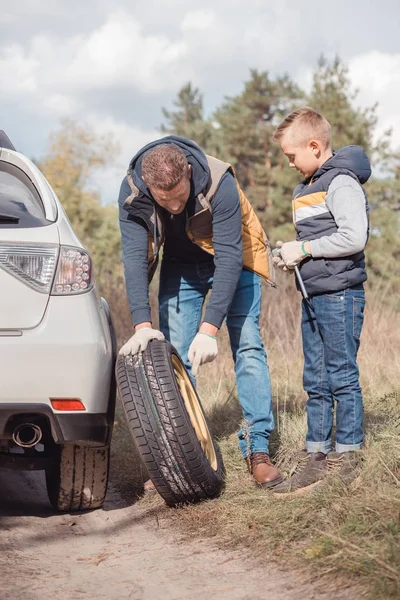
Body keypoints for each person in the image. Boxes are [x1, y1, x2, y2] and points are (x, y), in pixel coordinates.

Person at [118, 135, 283, 489]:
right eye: (166, 200)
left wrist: (209, 329)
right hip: (180, 265)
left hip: (237, 260)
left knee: (248, 344)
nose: (176, 206)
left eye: (181, 195)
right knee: (174, 358)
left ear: (189, 172)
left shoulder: (220, 182)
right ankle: (181, 456)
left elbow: (229, 259)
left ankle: (259, 448)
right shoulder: (132, 194)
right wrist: (141, 324)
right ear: (149, 187)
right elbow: (134, 259)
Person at [271, 107, 371, 495]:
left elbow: (353, 237)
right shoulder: (306, 188)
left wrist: (306, 248)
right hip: (312, 294)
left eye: (292, 156)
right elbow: (314, 245)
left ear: (314, 145)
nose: (290, 164)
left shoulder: (341, 182)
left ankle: (348, 455)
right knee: (315, 378)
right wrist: (290, 254)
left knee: (341, 375)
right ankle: (316, 454)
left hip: (341, 295)